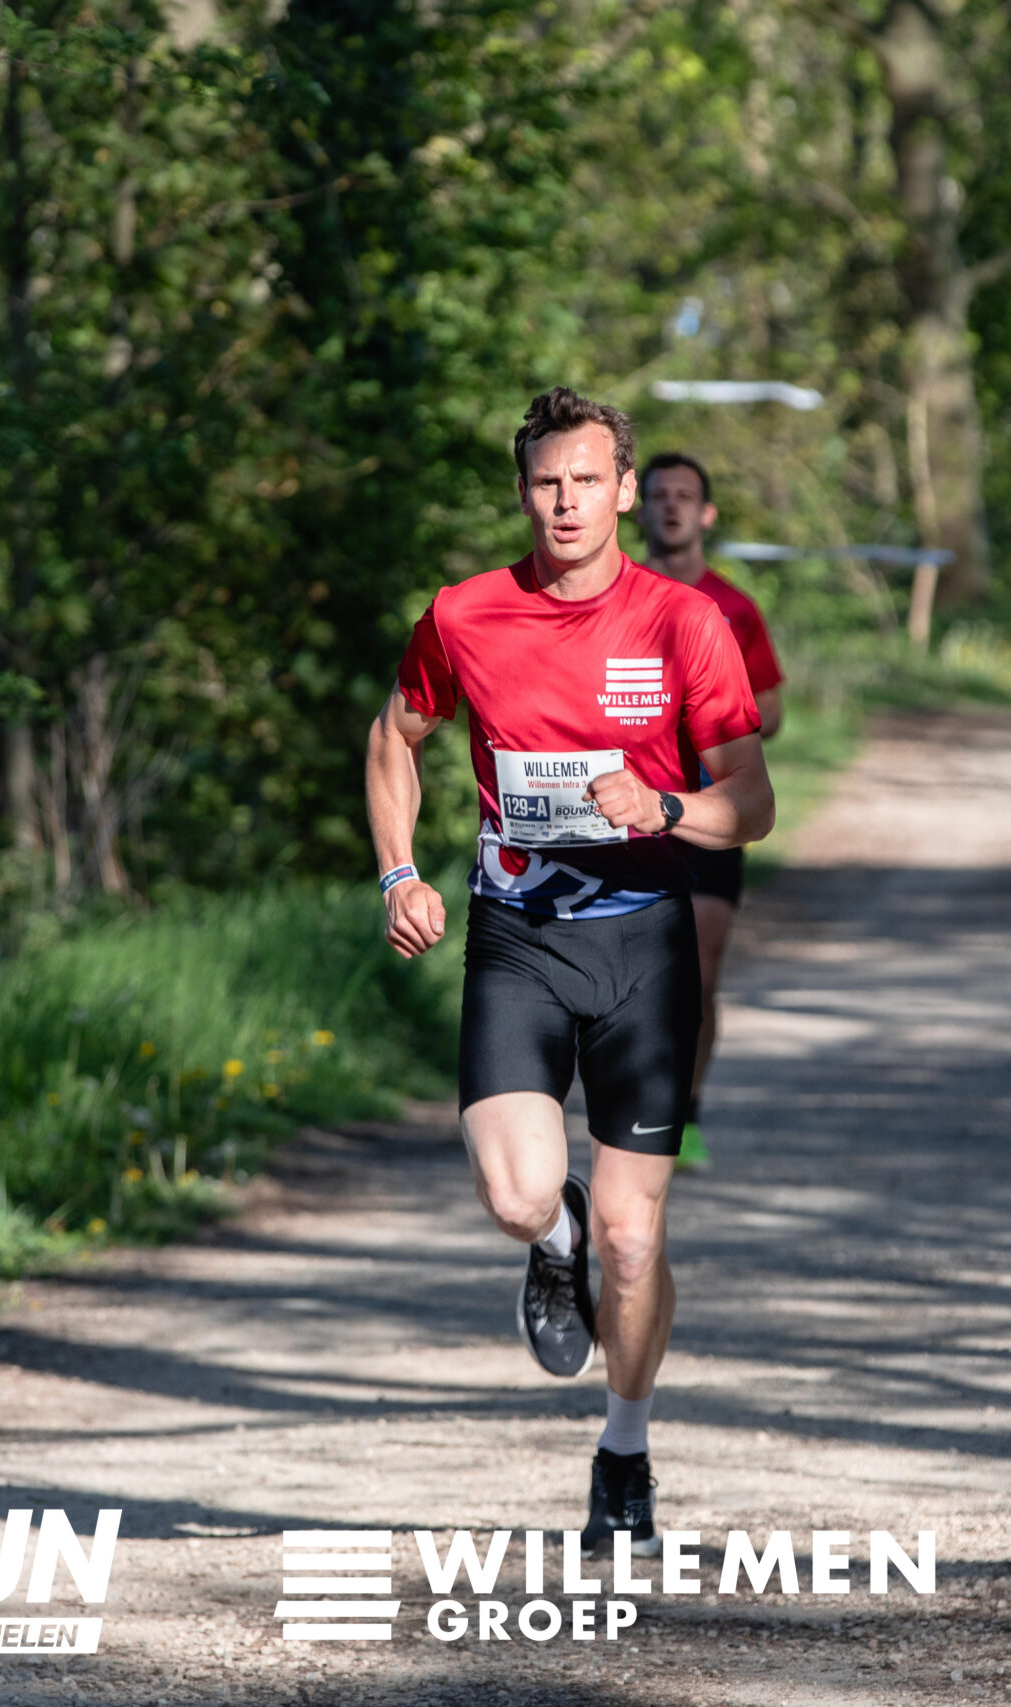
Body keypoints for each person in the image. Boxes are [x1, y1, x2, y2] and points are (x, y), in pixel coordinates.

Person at [364, 388, 774, 1555]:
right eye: (546, 482)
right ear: (523, 491)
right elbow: (394, 737)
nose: (565, 502)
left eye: (587, 480)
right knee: (515, 1196)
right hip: (517, 940)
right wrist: (399, 874)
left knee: (636, 1244)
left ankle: (624, 1452)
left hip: (644, 945)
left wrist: (667, 806)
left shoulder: (684, 622)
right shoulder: (464, 615)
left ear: (625, 492)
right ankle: (554, 1238)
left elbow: (752, 802)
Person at [635, 452, 784, 1175]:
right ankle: (632, 1103)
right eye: (659, 494)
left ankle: (685, 1112)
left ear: (707, 513)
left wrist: (707, 720)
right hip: (628, 817)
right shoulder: (615, 598)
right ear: (638, 506)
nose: (671, 506)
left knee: (697, 969)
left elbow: (772, 711)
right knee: (634, 974)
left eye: (684, 496)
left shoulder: (734, 608)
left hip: (710, 813)